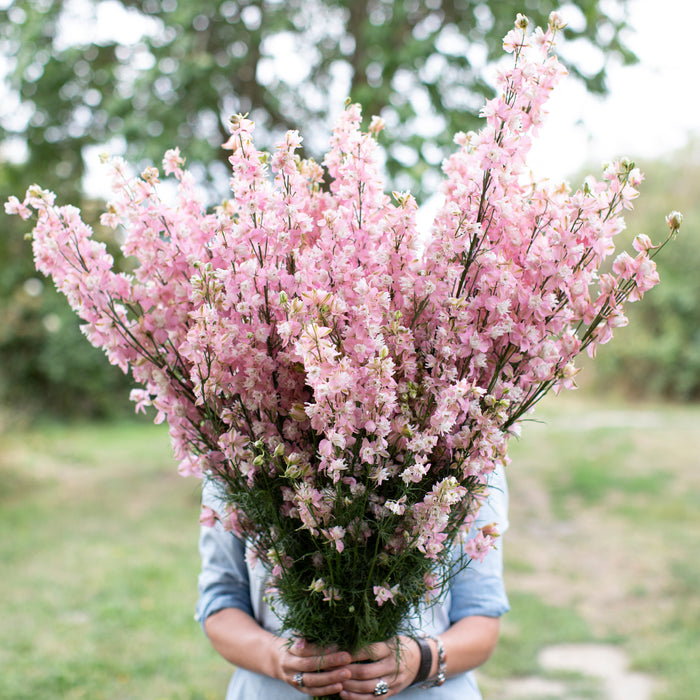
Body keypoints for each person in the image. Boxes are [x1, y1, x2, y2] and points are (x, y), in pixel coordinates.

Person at [195, 465, 509, 699]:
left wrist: (420, 660)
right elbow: (220, 601)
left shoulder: (470, 463)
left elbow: (481, 619)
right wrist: (276, 658)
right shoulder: (233, 457)